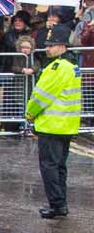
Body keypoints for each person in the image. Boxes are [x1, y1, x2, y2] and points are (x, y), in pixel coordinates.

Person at [28, 33, 81, 219]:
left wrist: (30, 113)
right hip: (66, 125)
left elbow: (41, 96)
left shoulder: (58, 67)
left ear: (62, 46)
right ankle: (61, 202)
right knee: (59, 166)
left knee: (49, 167)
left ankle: (57, 204)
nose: (48, 49)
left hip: (52, 125)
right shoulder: (73, 65)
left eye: (51, 45)